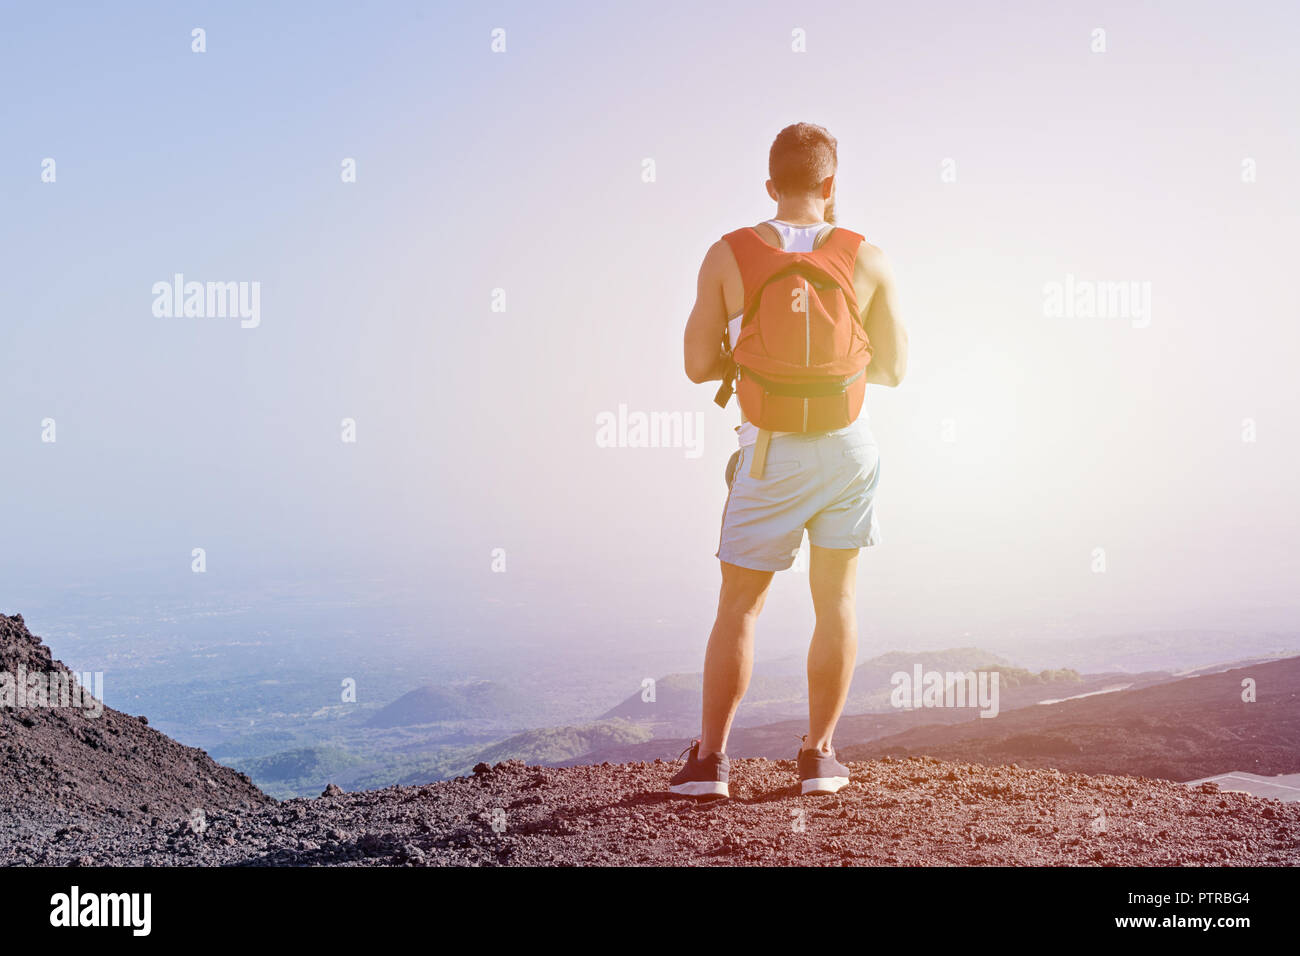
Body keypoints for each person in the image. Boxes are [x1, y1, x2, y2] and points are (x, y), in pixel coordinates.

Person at [672, 122, 908, 797]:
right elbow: (894, 367)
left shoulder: (728, 254)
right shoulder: (870, 257)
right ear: (831, 186)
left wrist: (749, 357)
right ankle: (819, 760)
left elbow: (695, 367)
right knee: (835, 602)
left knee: (740, 610)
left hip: (770, 451)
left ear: (770, 186)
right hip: (848, 449)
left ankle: (711, 766)